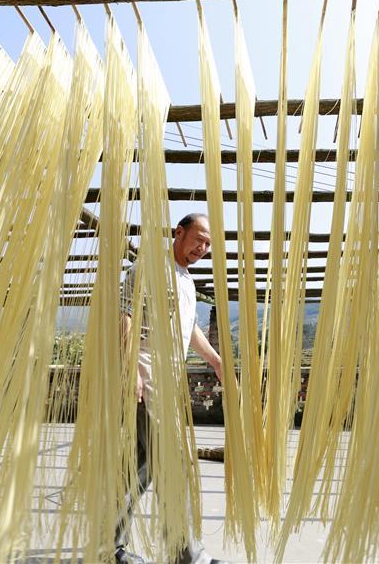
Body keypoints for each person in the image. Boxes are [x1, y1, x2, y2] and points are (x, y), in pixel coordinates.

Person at [115, 213, 225, 564]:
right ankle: (188, 555)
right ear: (179, 232)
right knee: (173, 463)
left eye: (208, 244)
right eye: (199, 239)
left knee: (140, 467)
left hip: (168, 379)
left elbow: (188, 329)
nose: (203, 248)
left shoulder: (188, 282)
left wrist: (217, 361)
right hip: (148, 374)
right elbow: (125, 313)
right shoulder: (149, 266)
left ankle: (107, 547)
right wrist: (131, 368)